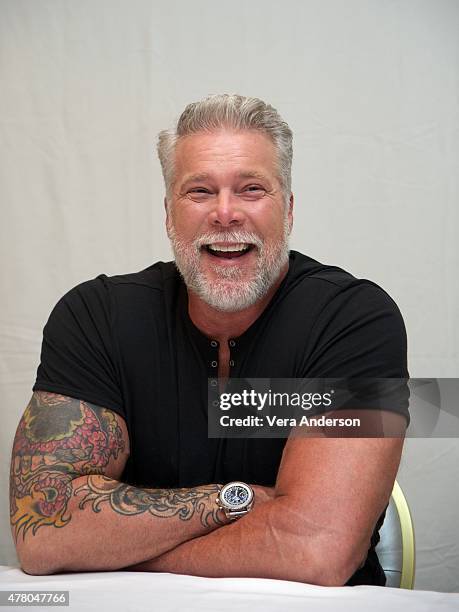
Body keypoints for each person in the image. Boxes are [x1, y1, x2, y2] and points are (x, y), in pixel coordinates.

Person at [9, 94, 409, 585]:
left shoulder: (357, 320)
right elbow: (43, 530)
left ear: (288, 209)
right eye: (199, 191)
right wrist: (235, 501)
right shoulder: (93, 317)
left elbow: (317, 550)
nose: (225, 213)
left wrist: (117, 551)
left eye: (251, 189)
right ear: (168, 212)